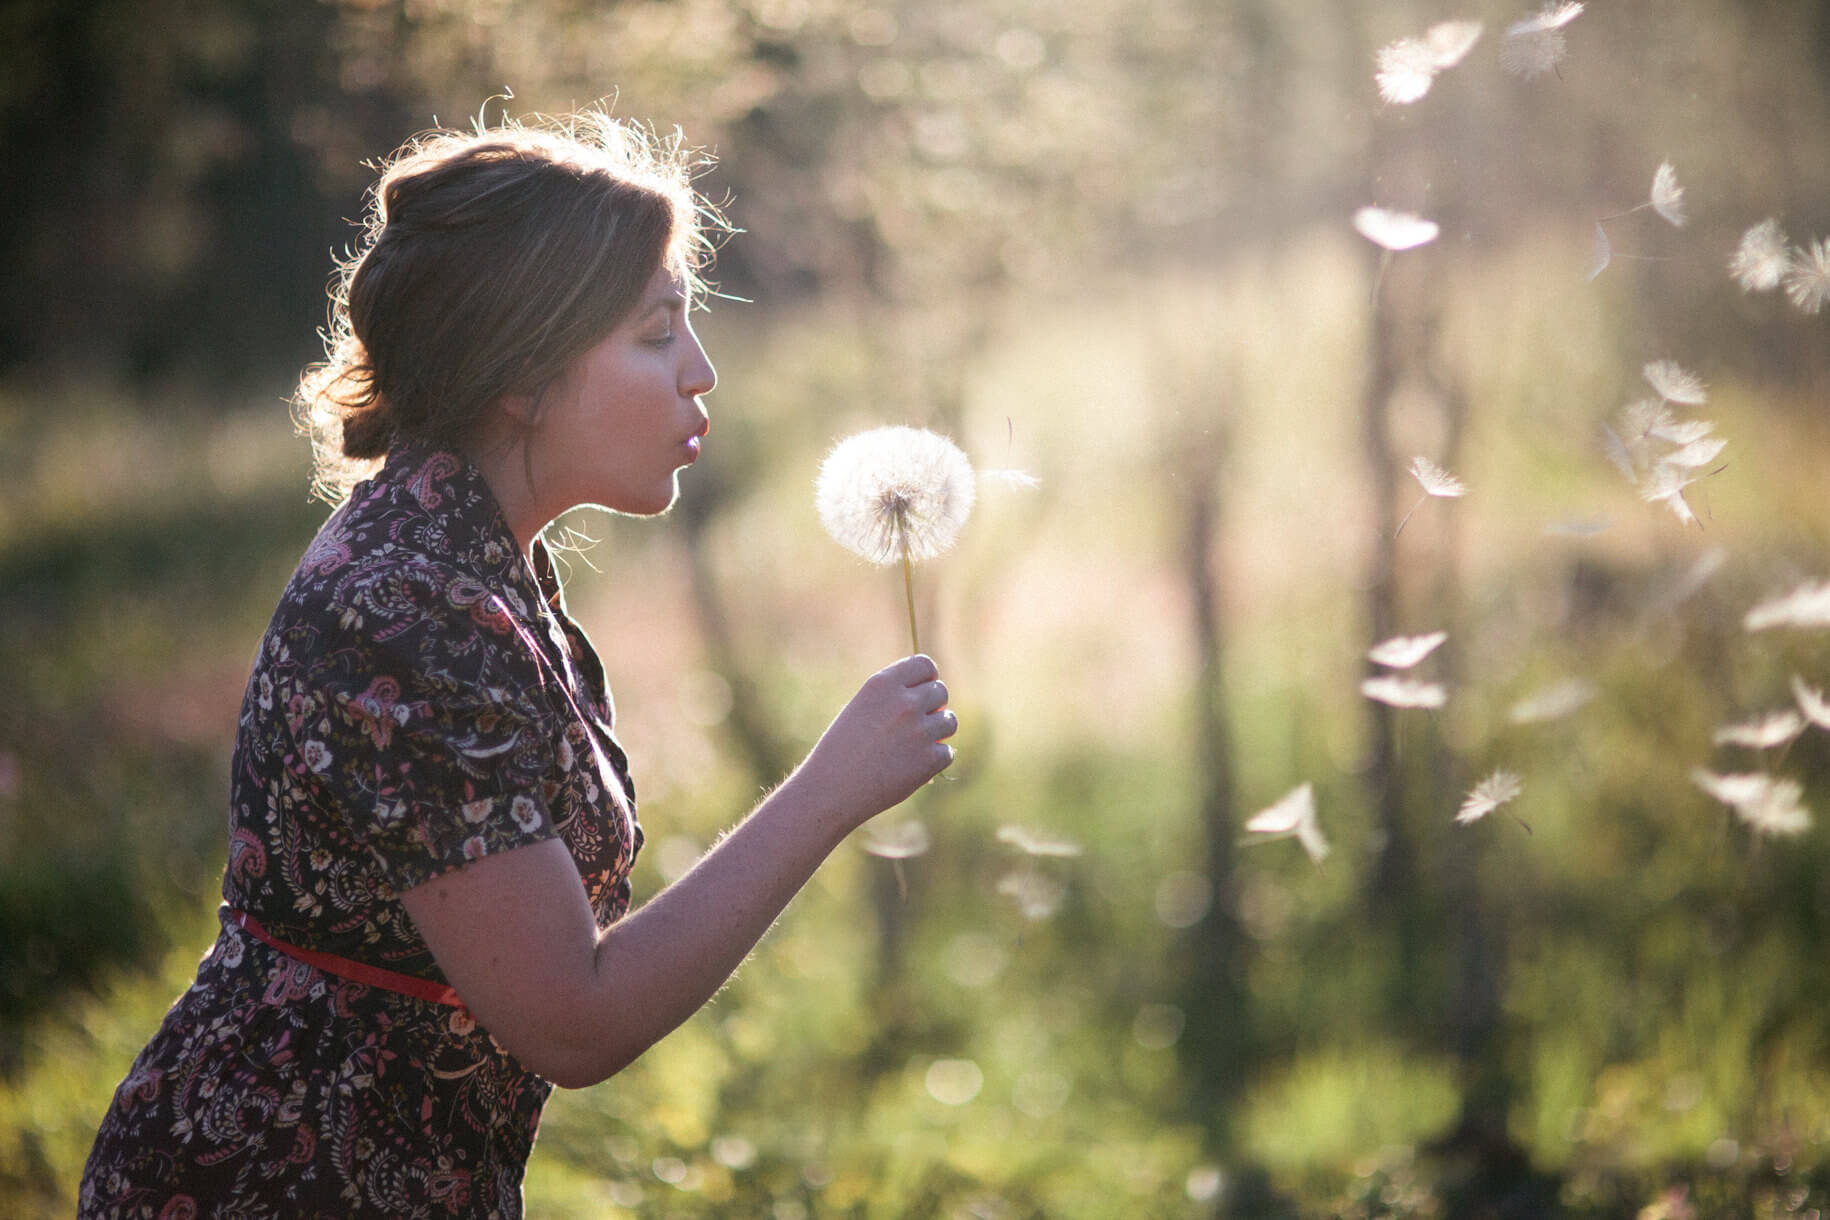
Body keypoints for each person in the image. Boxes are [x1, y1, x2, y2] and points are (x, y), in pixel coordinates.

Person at [78, 108, 957, 1218]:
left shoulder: (478, 569)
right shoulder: (400, 612)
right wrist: (830, 790)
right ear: (520, 366)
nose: (702, 372)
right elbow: (571, 1017)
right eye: (655, 333)